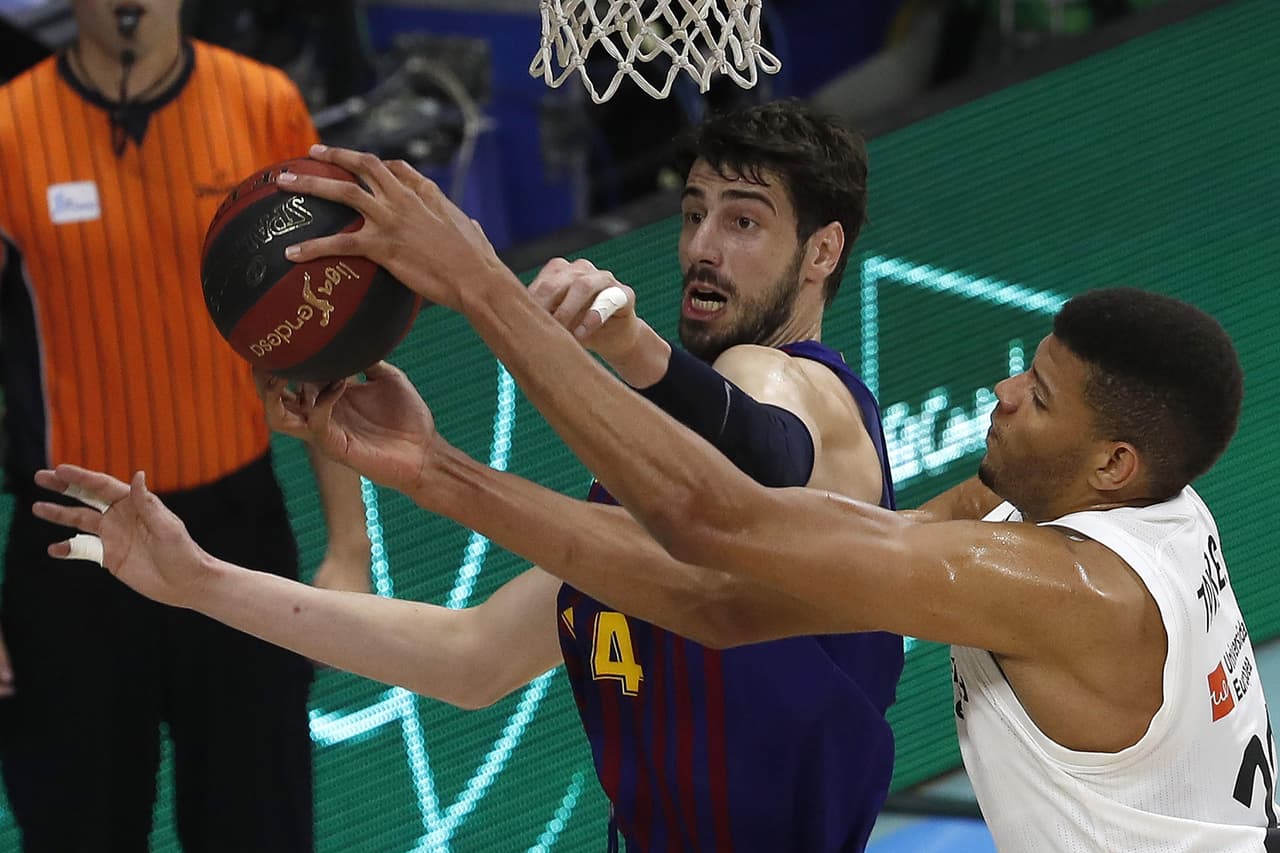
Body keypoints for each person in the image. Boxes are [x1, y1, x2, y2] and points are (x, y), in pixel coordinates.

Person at [70, 146, 1265, 849]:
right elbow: (697, 600)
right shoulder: (1113, 512)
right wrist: (206, 577)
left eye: (1037, 396)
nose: (1000, 394)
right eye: (692, 217)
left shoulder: (1060, 583)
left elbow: (719, 526)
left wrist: (477, 283)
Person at [31, 102, 905, 852]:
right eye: (693, 213)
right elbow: (471, 657)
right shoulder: (653, 518)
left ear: (822, 252)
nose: (702, 247)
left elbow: (763, 455)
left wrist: (566, 320)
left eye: (743, 222)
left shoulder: (802, 387)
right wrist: (200, 581)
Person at [0, 2, 370, 850]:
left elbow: (325, 331)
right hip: (71, 546)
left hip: (236, 535)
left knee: (260, 827)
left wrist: (350, 549)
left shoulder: (262, 103)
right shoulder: (9, 130)